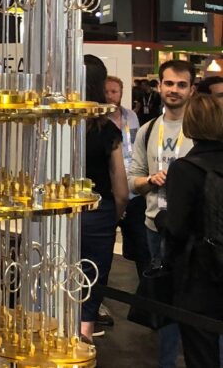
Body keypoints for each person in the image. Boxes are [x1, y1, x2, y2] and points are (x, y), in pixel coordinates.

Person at [128, 59, 197, 368]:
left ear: (192, 89)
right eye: (169, 83)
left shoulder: (202, 129)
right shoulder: (147, 130)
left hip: (194, 230)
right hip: (156, 226)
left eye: (182, 84)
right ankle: (167, 362)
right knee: (164, 301)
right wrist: (150, 180)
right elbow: (133, 179)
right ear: (158, 86)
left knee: (200, 303)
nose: (174, 90)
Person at [158, 93, 223, 368]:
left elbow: (177, 228)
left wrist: (161, 218)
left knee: (201, 355)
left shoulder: (184, 169)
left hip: (199, 275)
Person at [80, 56, 128, 342]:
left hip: (56, 211)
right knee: (92, 280)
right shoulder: (108, 130)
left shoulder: (52, 125)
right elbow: (120, 186)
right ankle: (84, 340)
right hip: (98, 212)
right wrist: (114, 215)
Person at [109, 75, 151, 277]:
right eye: (106, 91)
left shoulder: (131, 116)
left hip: (134, 189)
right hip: (110, 189)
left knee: (141, 247)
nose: (110, 95)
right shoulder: (98, 121)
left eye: (114, 91)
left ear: (121, 93)